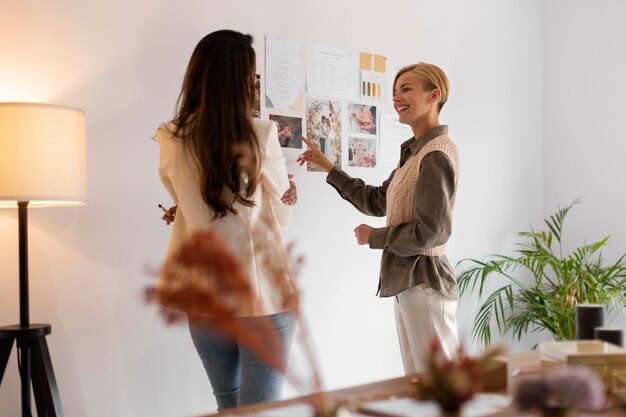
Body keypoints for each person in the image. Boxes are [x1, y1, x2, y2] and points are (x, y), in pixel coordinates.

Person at [156, 30, 298, 411]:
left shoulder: (170, 138)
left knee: (228, 405)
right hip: (262, 295)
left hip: (204, 293)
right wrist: (281, 199)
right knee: (259, 411)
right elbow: (280, 216)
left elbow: (182, 198)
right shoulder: (261, 133)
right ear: (240, 79)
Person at [297, 62, 459, 374]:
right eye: (395, 92)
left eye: (406, 89)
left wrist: (375, 237)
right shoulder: (414, 154)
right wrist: (330, 168)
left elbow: (432, 232)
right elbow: (376, 201)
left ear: (433, 95)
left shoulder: (435, 154)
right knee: (420, 387)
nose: (397, 97)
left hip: (425, 280)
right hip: (409, 281)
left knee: (438, 390)